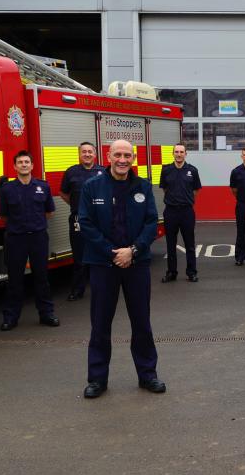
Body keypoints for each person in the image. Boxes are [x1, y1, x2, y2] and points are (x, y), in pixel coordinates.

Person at [78, 139, 165, 399]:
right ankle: (97, 379)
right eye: (118, 154)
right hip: (103, 264)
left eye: (127, 155)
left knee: (141, 322)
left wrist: (133, 251)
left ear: (134, 157)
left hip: (136, 263)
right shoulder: (92, 187)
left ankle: (148, 374)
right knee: (100, 324)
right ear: (108, 155)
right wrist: (111, 252)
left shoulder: (143, 187)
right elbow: (86, 222)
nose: (123, 159)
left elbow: (152, 222)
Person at [0, 150, 58, 331]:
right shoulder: (6, 189)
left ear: (32, 166)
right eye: (20, 162)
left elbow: (50, 212)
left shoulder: (43, 186)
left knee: (42, 278)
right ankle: (11, 317)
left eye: (27, 162)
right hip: (16, 239)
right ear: (15, 166)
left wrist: (34, 225)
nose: (24, 165)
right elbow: (3, 215)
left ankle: (47, 314)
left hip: (38, 237)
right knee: (15, 279)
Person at [60, 142, 104, 301]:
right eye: (84, 152)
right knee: (79, 256)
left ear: (95, 154)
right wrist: (78, 207)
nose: (87, 154)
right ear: (79, 154)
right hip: (78, 219)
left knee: (101, 254)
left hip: (99, 221)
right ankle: (78, 290)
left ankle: (101, 288)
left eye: (90, 151)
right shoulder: (71, 172)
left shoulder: (103, 172)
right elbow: (64, 193)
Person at [159, 143, 202, 283]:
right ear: (173, 153)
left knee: (190, 244)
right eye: (176, 152)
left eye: (181, 152)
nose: (179, 154)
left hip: (187, 212)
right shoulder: (166, 170)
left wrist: (185, 200)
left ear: (186, 154)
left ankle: (191, 272)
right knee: (171, 244)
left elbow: (195, 190)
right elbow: (165, 189)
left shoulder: (193, 170)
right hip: (170, 211)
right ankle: (171, 272)